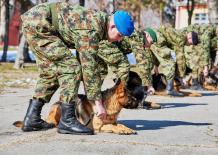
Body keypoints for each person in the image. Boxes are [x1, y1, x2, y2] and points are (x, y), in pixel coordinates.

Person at [21, 2, 134, 135]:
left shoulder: (98, 26)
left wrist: (92, 98)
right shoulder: (92, 28)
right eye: (120, 35)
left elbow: (86, 62)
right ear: (113, 26)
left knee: (50, 73)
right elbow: (89, 69)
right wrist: (98, 104)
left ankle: (32, 119)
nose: (118, 40)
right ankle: (67, 120)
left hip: (37, 22)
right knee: (71, 68)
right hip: (40, 23)